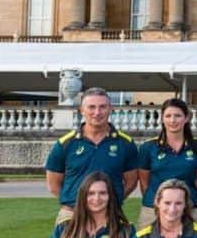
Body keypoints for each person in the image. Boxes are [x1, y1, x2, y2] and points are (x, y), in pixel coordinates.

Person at [45, 87, 138, 223]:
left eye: (102, 107)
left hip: (110, 215)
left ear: (110, 109)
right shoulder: (65, 144)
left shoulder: (126, 144)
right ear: (82, 110)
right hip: (72, 215)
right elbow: (53, 185)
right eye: (91, 107)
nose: (97, 112)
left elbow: (131, 182)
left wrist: (111, 201)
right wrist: (76, 204)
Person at [135, 97, 197, 228]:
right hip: (153, 210)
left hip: (189, 209)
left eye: (177, 116)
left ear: (186, 118)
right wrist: (156, 201)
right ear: (162, 119)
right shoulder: (148, 147)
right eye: (168, 116)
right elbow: (144, 182)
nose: (172, 120)